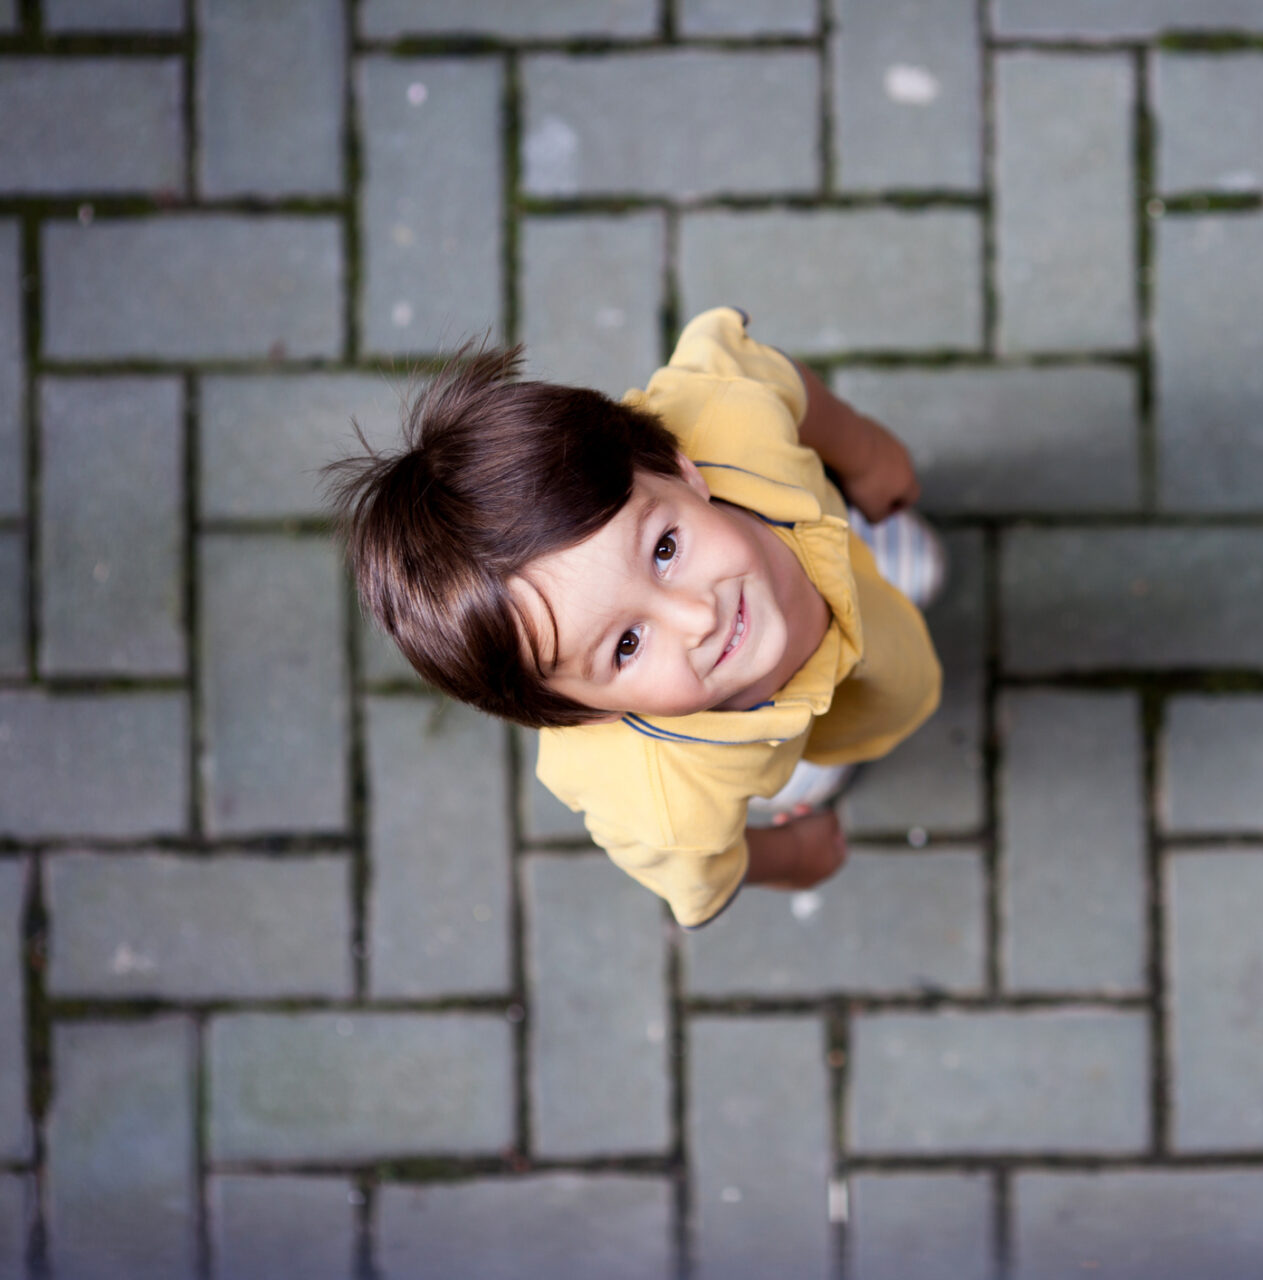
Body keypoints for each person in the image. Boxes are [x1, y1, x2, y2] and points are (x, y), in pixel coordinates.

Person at [328, 306, 943, 928]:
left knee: (867, 572)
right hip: (785, 743)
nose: (698, 617)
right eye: (625, 645)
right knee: (800, 770)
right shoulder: (666, 801)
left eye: (665, 550)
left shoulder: (725, 412)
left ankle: (873, 560)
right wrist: (791, 855)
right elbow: (704, 873)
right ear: (588, 712)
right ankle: (808, 773)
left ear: (678, 468)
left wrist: (865, 455)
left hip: (836, 548)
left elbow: (773, 374)